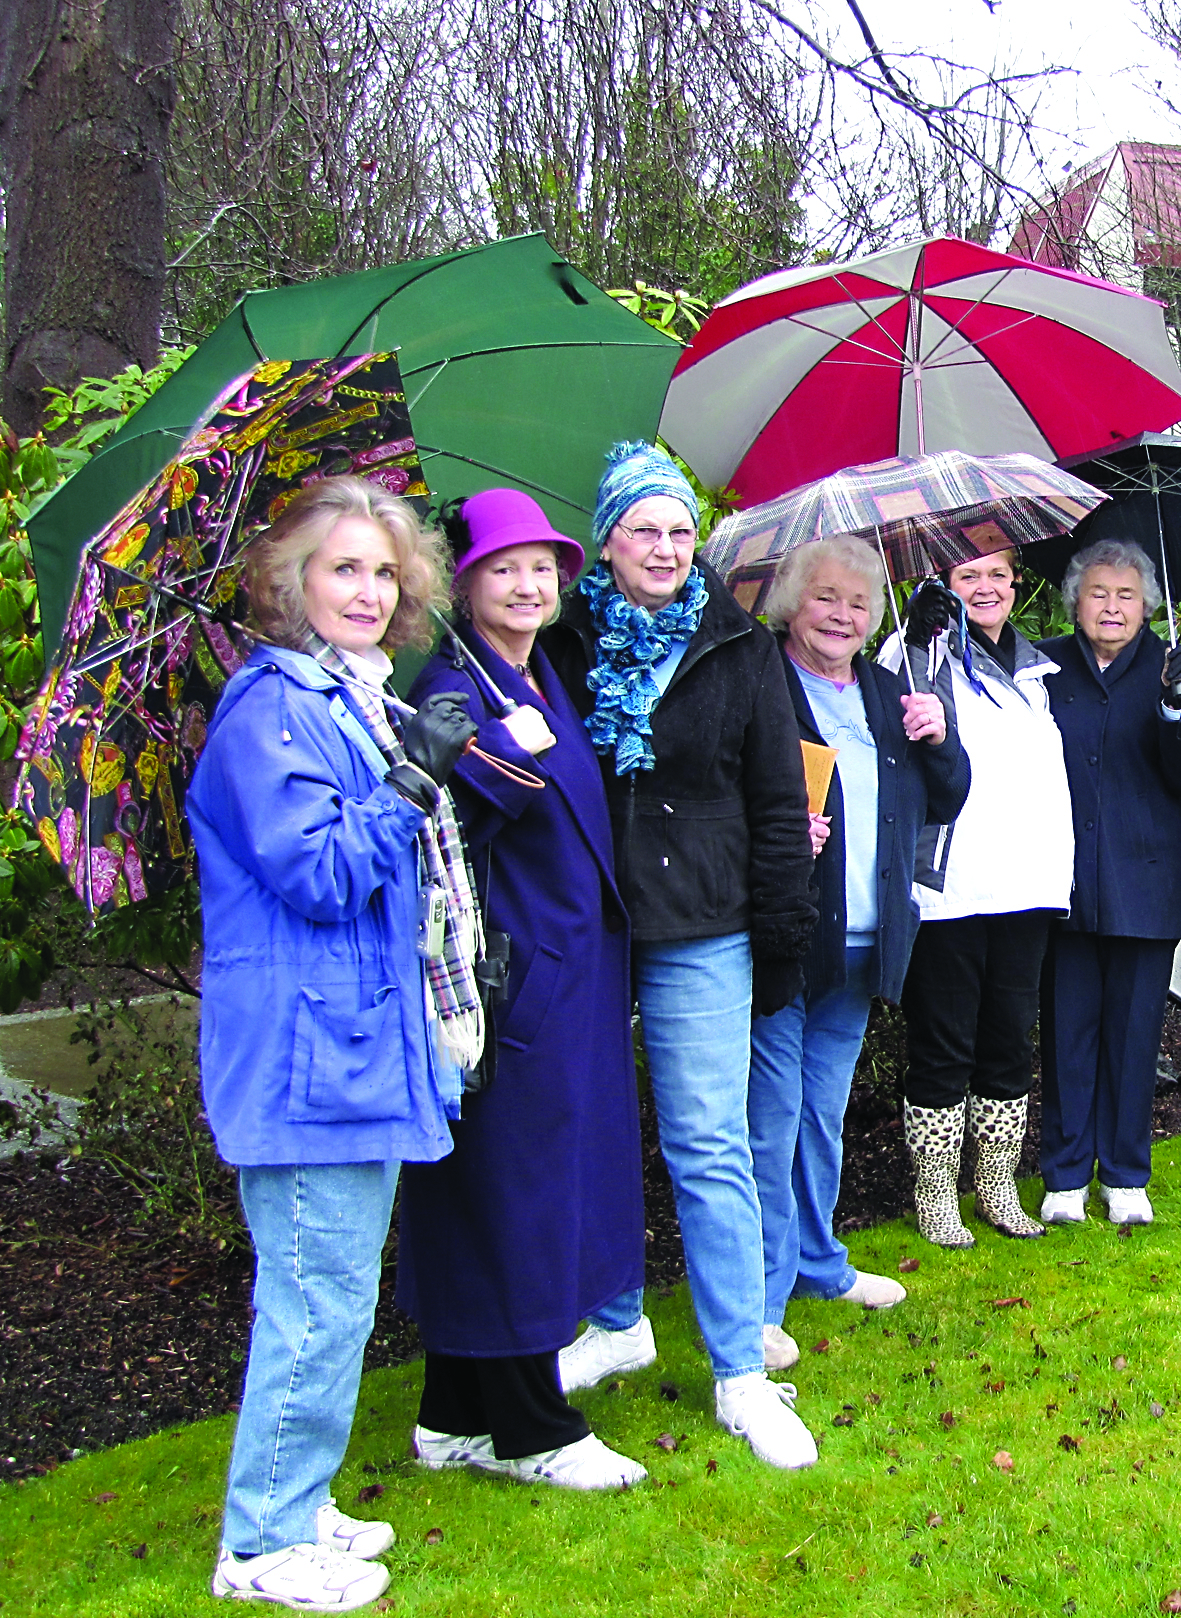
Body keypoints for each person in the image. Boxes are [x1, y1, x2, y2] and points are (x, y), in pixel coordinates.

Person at [190, 476, 477, 1610]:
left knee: (335, 1293)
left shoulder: (351, 699)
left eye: (382, 569)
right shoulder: (271, 709)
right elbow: (317, 872)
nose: (368, 589)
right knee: (315, 1299)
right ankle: (260, 1542)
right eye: (341, 567)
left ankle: (297, 1500)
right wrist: (411, 784)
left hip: (348, 1044)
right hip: (308, 1055)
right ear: (290, 582)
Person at [539, 442, 821, 1469]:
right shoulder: (560, 646)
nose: (663, 547)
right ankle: (617, 1320)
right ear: (604, 543)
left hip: (706, 925)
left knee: (708, 1143)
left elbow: (779, 806)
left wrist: (781, 936)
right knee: (594, 1135)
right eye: (642, 529)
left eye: (677, 530)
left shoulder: (737, 645)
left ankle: (742, 1371)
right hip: (597, 922)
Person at [397, 488, 647, 1488]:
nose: (529, 582)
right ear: (463, 584)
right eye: (504, 568)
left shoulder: (538, 670)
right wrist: (495, 745)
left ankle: (452, 1411)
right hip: (513, 989)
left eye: (543, 566)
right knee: (513, 1199)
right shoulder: (453, 689)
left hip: (569, 983)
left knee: (520, 1189)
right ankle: (533, 1427)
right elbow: (494, 794)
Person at [748, 536, 970, 1370]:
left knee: (820, 1112)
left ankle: (817, 1264)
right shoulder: (761, 682)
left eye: (857, 603)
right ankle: (762, 1299)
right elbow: (720, 790)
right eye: (825, 597)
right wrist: (772, 834)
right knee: (772, 1120)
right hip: (789, 936)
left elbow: (945, 797)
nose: (841, 615)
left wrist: (939, 737)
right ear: (790, 604)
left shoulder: (889, 689)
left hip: (866, 938)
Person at [882, 549, 1073, 1247]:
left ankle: (995, 1184)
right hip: (950, 887)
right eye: (968, 576)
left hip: (1025, 885)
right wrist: (913, 637)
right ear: (943, 588)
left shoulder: (1036, 671)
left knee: (1006, 1042)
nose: (984, 588)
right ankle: (935, 1194)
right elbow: (891, 722)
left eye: (996, 574)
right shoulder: (915, 652)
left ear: (1016, 583)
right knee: (943, 1044)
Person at [1036, 539, 1181, 1227]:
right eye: (1097, 593)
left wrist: (1179, 712)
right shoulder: (1044, 666)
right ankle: (1062, 1176)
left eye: (1125, 595)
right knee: (1067, 1032)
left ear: (1147, 605)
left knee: (1134, 1034)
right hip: (1065, 885)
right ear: (1075, 601)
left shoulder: (1174, 669)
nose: (1111, 607)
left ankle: (1123, 1174)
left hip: (1147, 884)